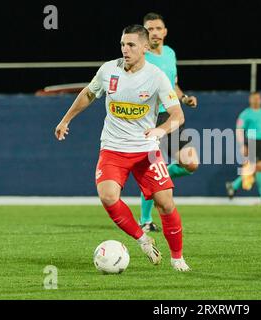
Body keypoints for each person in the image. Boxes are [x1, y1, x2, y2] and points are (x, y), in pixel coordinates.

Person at [54, 25, 191, 272]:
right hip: (113, 149)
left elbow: (177, 115)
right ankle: (143, 240)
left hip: (146, 151)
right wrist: (66, 119)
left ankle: (177, 258)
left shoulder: (157, 76)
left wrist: (160, 131)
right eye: (122, 44)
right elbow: (88, 94)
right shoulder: (109, 70)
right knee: (107, 196)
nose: (125, 50)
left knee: (166, 204)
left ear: (145, 48)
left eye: (131, 45)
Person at [139, 12, 200, 232]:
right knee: (153, 170)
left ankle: (162, 176)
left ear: (164, 31)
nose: (154, 32)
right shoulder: (141, 56)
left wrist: (184, 98)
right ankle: (145, 220)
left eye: (158, 28)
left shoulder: (170, 53)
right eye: (150, 29)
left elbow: (172, 84)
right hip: (151, 117)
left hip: (173, 115)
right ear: (144, 33)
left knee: (191, 163)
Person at [225, 92, 261, 205]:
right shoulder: (246, 114)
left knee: (257, 168)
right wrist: (242, 145)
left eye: (258, 98)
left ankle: (233, 185)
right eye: (254, 98)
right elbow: (239, 129)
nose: (256, 100)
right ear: (250, 100)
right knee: (257, 167)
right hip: (251, 139)